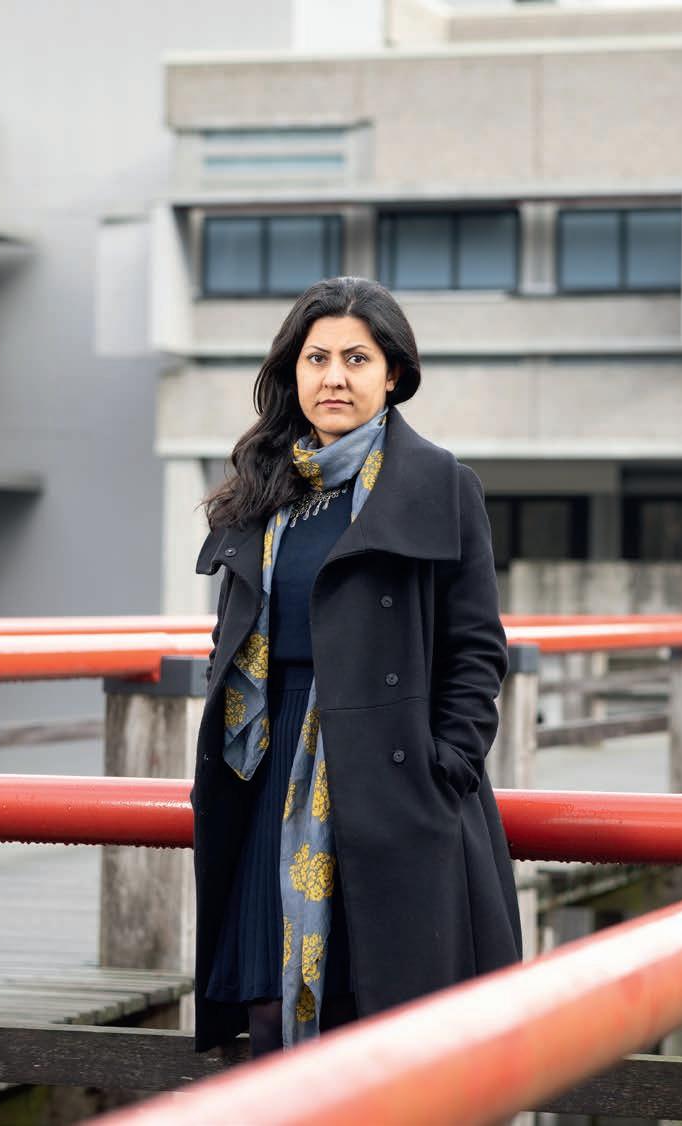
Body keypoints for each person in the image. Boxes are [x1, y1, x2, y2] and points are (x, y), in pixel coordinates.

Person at [190, 276, 522, 1055]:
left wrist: (445, 766)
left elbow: (476, 647)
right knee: (267, 1004)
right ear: (292, 371)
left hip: (386, 775)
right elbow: (232, 635)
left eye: (356, 358)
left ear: (393, 374)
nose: (333, 377)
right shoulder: (261, 488)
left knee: (369, 1008)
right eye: (316, 358)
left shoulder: (438, 484)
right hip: (267, 774)